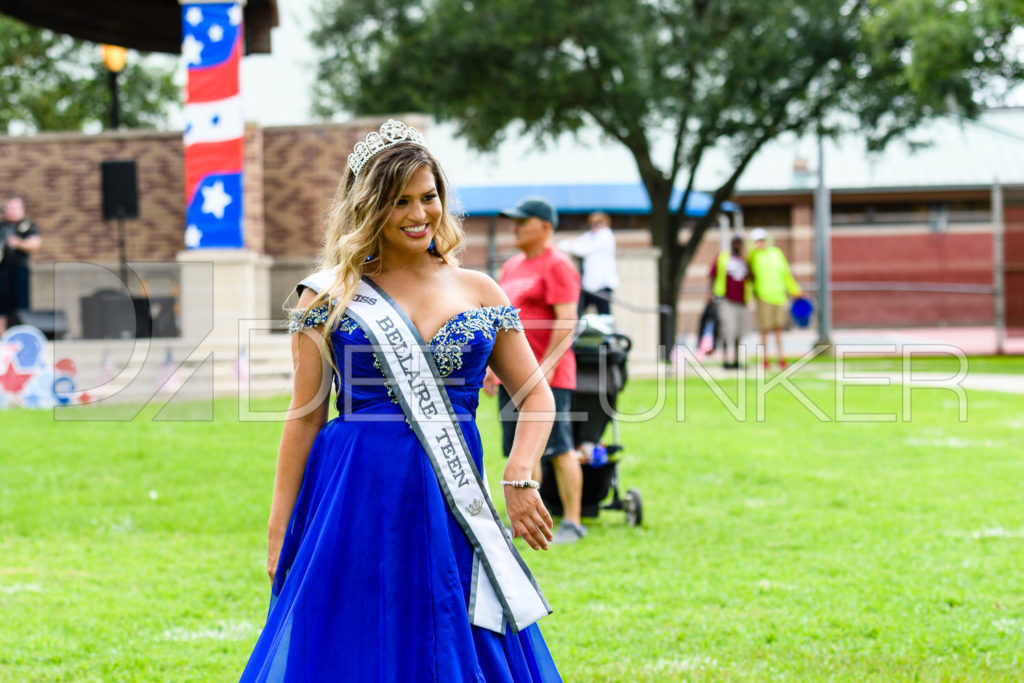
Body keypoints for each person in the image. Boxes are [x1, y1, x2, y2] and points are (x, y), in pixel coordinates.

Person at [239, 121, 561, 681]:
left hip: (450, 497)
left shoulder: (480, 289)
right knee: (358, 632)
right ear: (368, 207)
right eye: (399, 201)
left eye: (428, 197)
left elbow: (536, 395)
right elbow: (306, 417)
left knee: (458, 622)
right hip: (355, 493)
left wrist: (521, 471)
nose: (419, 214)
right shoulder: (330, 294)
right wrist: (279, 527)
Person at [483, 196, 586, 545]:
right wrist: (492, 368)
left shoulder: (558, 265)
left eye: (522, 221)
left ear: (545, 227)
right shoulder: (511, 267)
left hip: (548, 376)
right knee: (522, 450)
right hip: (513, 377)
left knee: (558, 447)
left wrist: (545, 369)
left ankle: (572, 520)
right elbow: (500, 322)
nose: (515, 227)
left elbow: (567, 319)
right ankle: (529, 521)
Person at [747, 227, 801, 370]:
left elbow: (786, 274)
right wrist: (753, 250)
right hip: (763, 296)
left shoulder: (777, 253)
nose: (761, 243)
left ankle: (781, 358)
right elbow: (748, 265)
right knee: (764, 329)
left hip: (779, 296)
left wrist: (795, 290)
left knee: (778, 328)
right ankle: (765, 359)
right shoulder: (753, 256)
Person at [558, 211, 619, 316]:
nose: (595, 226)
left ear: (606, 223)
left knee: (605, 318)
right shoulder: (591, 236)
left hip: (602, 285)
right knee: (577, 314)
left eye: (599, 223)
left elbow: (582, 249)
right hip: (589, 286)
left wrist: (573, 244)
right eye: (592, 223)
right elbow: (565, 244)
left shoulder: (605, 236)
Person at [0, 195, 42, 334]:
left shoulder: (28, 226)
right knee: (2, 308)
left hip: (19, 270)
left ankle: (21, 335)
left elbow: (35, 244)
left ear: (21, 209)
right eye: (9, 207)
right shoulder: (2, 226)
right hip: (2, 270)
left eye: (14, 207)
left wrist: (17, 242)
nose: (11, 210)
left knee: (21, 306)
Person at [708, 234, 750, 369]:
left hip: (742, 301)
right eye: (735, 243)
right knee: (727, 330)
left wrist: (746, 262)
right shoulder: (723, 258)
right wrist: (711, 293)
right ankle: (726, 359)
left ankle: (737, 360)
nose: (737, 246)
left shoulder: (746, 260)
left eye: (739, 243)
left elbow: (752, 276)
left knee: (738, 332)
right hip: (726, 299)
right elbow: (713, 275)